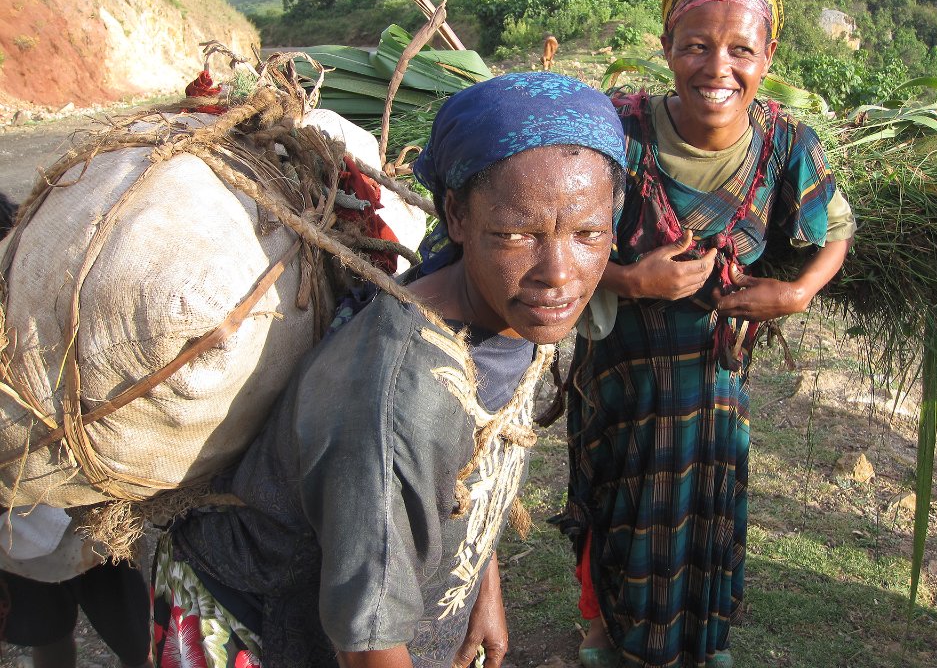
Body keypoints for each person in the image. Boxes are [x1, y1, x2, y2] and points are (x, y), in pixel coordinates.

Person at [151, 72, 628, 668]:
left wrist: (482, 586)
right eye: (514, 235)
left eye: (588, 234)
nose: (558, 272)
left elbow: (467, 472)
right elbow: (368, 640)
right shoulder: (395, 397)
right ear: (455, 214)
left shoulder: (514, 313)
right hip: (264, 632)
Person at [552, 0, 856, 668]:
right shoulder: (613, 132)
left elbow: (837, 232)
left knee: (708, 513)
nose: (718, 69)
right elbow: (554, 240)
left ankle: (704, 643)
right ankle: (606, 637)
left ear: (768, 53)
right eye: (696, 46)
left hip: (717, 389)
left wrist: (798, 292)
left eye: (740, 49)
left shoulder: (786, 147)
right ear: (667, 48)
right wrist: (630, 282)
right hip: (620, 378)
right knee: (618, 511)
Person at [0, 192, 153, 668]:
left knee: (135, 634)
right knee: (57, 634)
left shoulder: (41, 288)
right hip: (23, 523)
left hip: (85, 506)